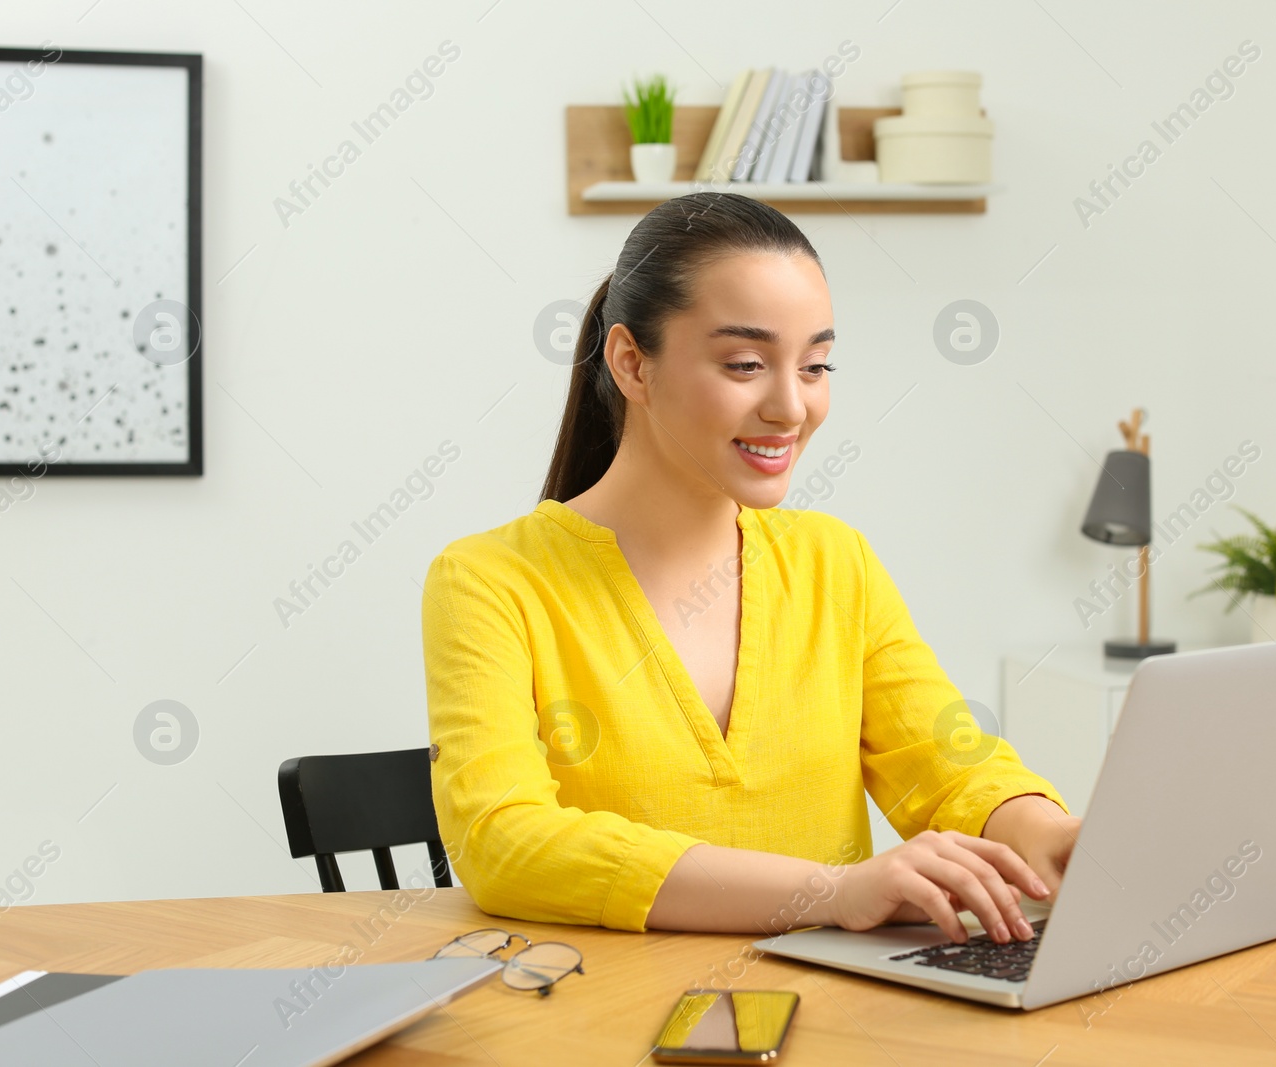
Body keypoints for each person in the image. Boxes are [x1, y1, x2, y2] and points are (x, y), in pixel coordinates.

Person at [422, 191, 1079, 946]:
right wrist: (832, 891)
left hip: (833, 1017)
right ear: (632, 363)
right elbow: (504, 842)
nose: (791, 406)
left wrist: (1049, 834)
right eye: (745, 364)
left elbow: (947, 764)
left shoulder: (835, 562)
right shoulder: (490, 581)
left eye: (816, 365)